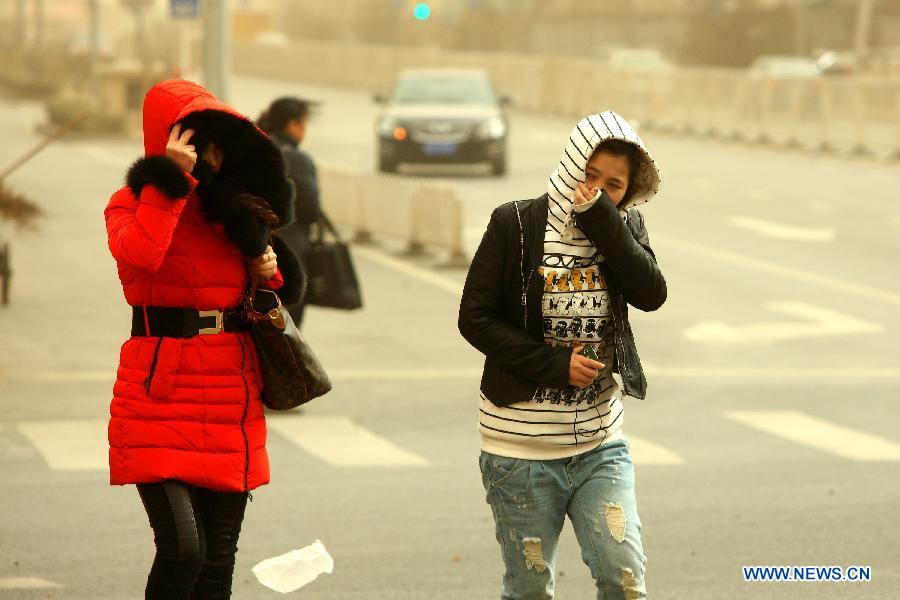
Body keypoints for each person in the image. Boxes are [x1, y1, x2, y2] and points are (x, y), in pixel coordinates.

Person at [104, 79, 304, 598]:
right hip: (159, 391)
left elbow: (274, 292)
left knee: (217, 564)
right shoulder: (130, 203)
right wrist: (169, 180)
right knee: (182, 551)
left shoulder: (232, 212)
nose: (210, 156)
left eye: (217, 144)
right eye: (196, 141)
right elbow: (143, 257)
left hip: (230, 391)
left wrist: (268, 266)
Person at [458, 110, 666, 600]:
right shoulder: (516, 224)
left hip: (601, 444)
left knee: (626, 581)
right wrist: (555, 365)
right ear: (571, 163)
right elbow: (476, 318)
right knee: (530, 589)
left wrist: (602, 222)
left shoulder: (624, 227)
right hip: (520, 451)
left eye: (613, 185)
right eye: (589, 174)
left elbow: (651, 292)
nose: (595, 189)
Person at [257, 97, 321, 327]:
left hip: (256, 250)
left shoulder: (256, 148)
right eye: (303, 123)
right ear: (292, 124)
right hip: (291, 256)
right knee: (288, 331)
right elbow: (311, 210)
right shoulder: (298, 159)